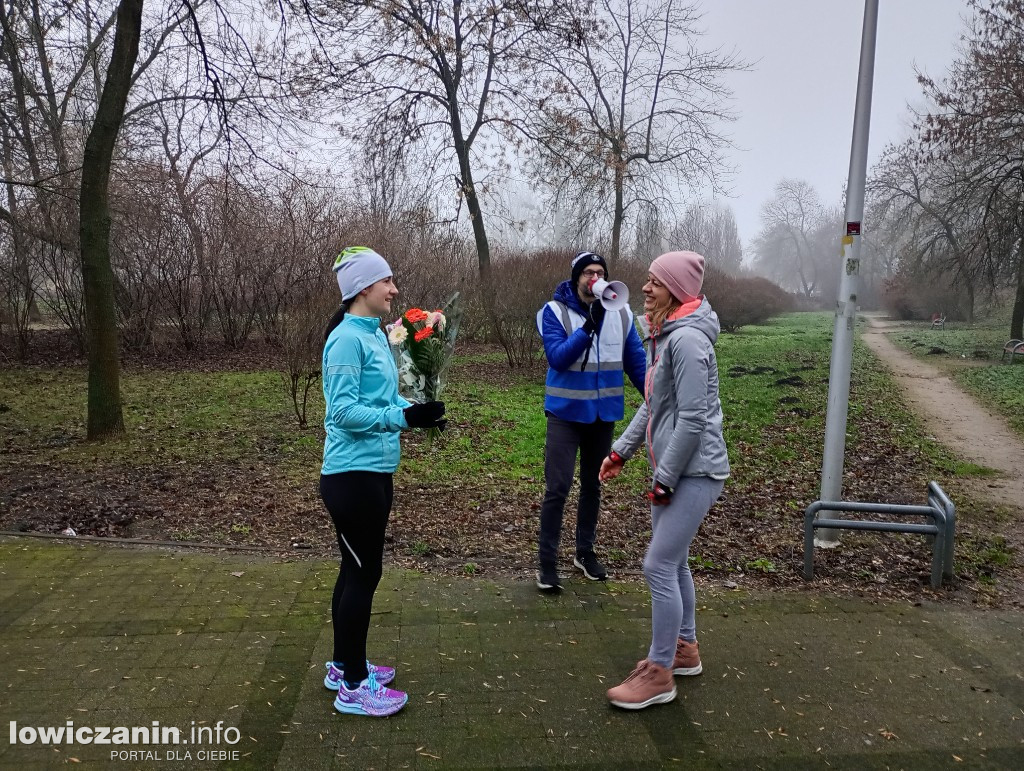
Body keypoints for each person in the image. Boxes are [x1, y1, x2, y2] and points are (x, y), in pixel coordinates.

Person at [598, 250, 729, 710]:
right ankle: (684, 648)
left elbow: (693, 419)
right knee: (673, 563)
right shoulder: (668, 335)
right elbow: (655, 405)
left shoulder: (688, 341)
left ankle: (658, 673)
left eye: (654, 281)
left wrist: (666, 479)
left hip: (695, 471)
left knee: (657, 566)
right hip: (677, 469)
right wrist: (621, 450)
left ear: (675, 289)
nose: (646, 288)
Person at [320, 246, 447, 717]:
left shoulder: (372, 333)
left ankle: (342, 664)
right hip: (351, 476)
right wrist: (404, 419)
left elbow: (382, 396)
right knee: (364, 573)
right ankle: (353, 687)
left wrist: (418, 407)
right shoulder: (346, 341)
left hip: (373, 471)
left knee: (354, 571)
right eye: (386, 281)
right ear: (363, 288)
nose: (394, 289)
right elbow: (343, 413)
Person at [535, 251, 647, 591]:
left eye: (599, 272)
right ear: (576, 278)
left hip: (603, 414)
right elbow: (558, 357)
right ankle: (547, 562)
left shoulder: (622, 312)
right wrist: (588, 326)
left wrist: (657, 397)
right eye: (587, 272)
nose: (594, 278)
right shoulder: (552, 312)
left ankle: (584, 552)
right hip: (565, 415)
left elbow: (636, 362)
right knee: (557, 487)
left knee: (592, 486)